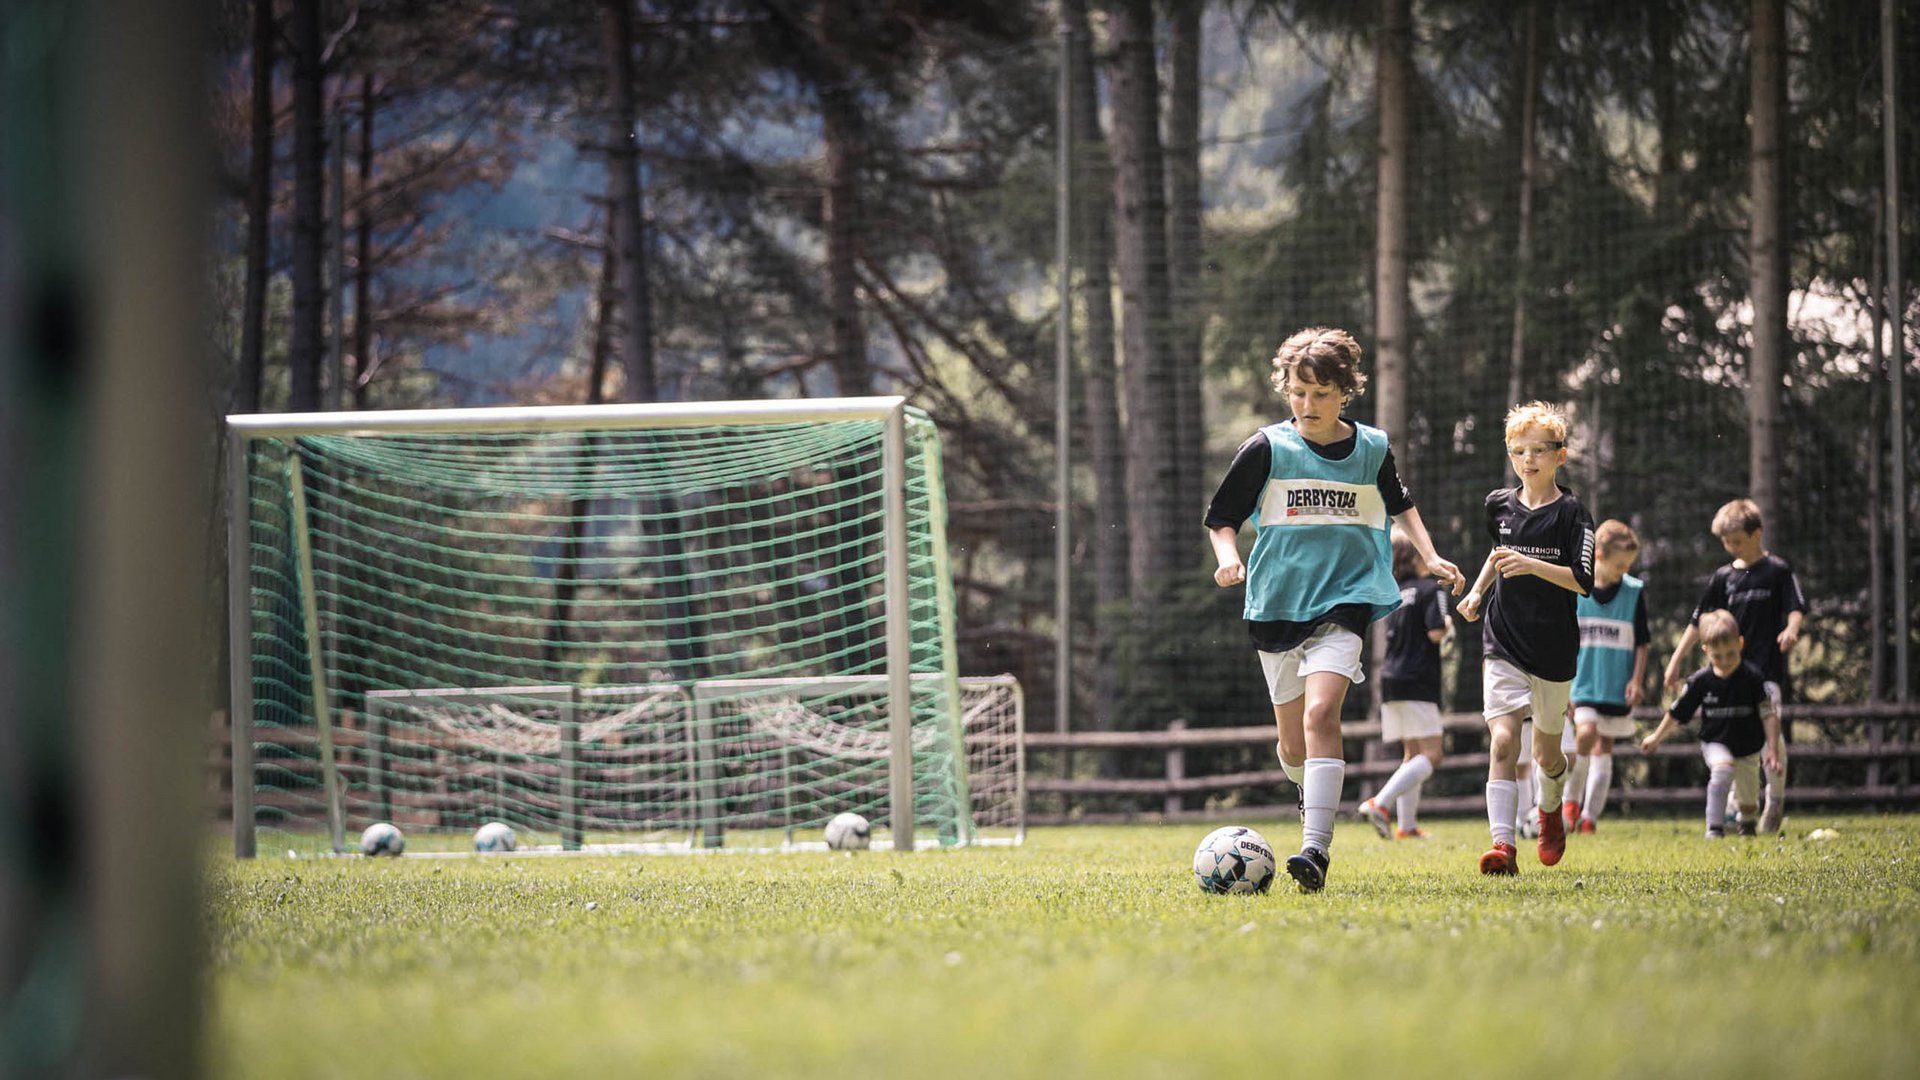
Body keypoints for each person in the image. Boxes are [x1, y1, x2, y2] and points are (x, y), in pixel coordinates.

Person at [1206, 327, 1463, 893]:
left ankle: (1315, 851)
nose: (1308, 405)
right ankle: (1307, 791)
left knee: (1323, 715)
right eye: (1298, 392)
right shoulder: (1267, 448)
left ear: (1345, 391)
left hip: (1347, 599)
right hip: (1275, 606)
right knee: (1295, 745)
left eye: (1321, 393)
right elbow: (1223, 518)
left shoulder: (1371, 448)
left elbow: (1402, 506)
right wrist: (1228, 558)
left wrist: (1431, 554)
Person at [1457, 401, 1595, 876]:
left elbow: (1583, 580)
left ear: (1560, 455)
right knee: (1502, 742)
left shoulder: (1574, 514)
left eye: (1540, 450)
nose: (1528, 459)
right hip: (1503, 640)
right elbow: (1498, 555)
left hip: (1553, 648)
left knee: (1548, 755)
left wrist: (1531, 564)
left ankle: (1551, 810)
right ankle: (1502, 846)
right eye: (1519, 451)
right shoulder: (1498, 504)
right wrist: (1476, 594)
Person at [1659, 498, 1806, 834]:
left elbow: (1796, 606)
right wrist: (1676, 660)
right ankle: (1741, 808)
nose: (1730, 547)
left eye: (1737, 540)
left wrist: (1792, 629)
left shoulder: (1778, 571)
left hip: (1766, 672)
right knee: (1736, 743)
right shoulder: (1723, 577)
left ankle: (1775, 800)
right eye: (1725, 542)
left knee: (1772, 734)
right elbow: (1698, 622)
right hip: (1728, 676)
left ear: (1757, 534)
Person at [1641, 610, 1783, 838]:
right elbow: (1677, 712)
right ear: (1706, 650)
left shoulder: (1754, 678)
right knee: (1722, 769)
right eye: (1718, 657)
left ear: (1740, 643)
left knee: (1748, 804)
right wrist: (1656, 737)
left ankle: (1746, 824)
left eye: (1731, 654)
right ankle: (1714, 829)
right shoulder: (1700, 682)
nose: (1725, 662)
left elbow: (1769, 715)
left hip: (1748, 747)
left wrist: (1773, 750)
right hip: (1715, 741)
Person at [1356, 527, 1453, 840]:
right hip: (1418, 679)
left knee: (1412, 754)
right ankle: (1380, 804)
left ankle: (1407, 826)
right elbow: (1436, 632)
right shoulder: (1430, 589)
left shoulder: (1395, 593)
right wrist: (1449, 625)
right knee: (1433, 753)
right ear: (1416, 556)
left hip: (1391, 680)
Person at [1560, 519, 1650, 833]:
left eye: (1628, 565)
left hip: (1615, 685)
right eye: (1619, 565)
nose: (1623, 571)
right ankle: (1570, 801)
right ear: (1598, 556)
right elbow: (1564, 640)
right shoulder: (1575, 590)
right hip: (1582, 684)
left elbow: (1642, 643)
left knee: (1605, 748)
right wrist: (1565, 685)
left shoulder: (1633, 593)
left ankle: (1590, 818)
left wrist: (1636, 680)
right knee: (1585, 734)